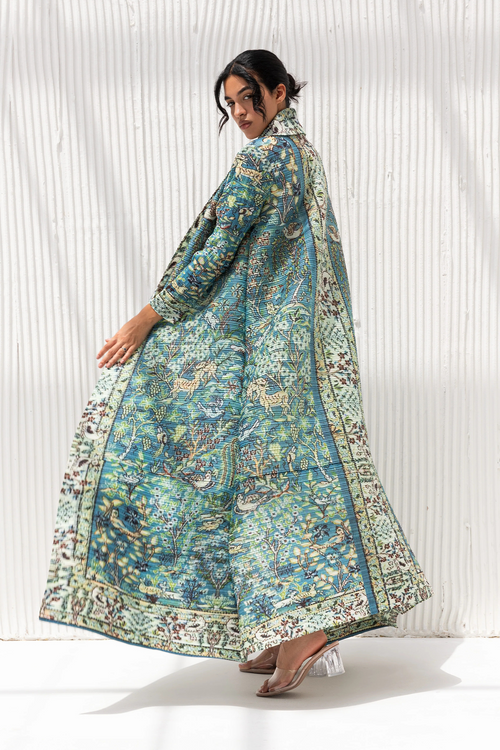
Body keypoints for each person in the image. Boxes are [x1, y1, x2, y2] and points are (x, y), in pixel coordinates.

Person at [39, 49, 433, 697]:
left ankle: (303, 632)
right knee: (285, 483)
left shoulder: (263, 159)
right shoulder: (303, 155)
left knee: (266, 487)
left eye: (250, 99)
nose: (241, 114)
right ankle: (283, 626)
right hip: (299, 347)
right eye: (231, 104)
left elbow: (215, 253)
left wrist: (147, 319)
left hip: (270, 355)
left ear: (279, 92)